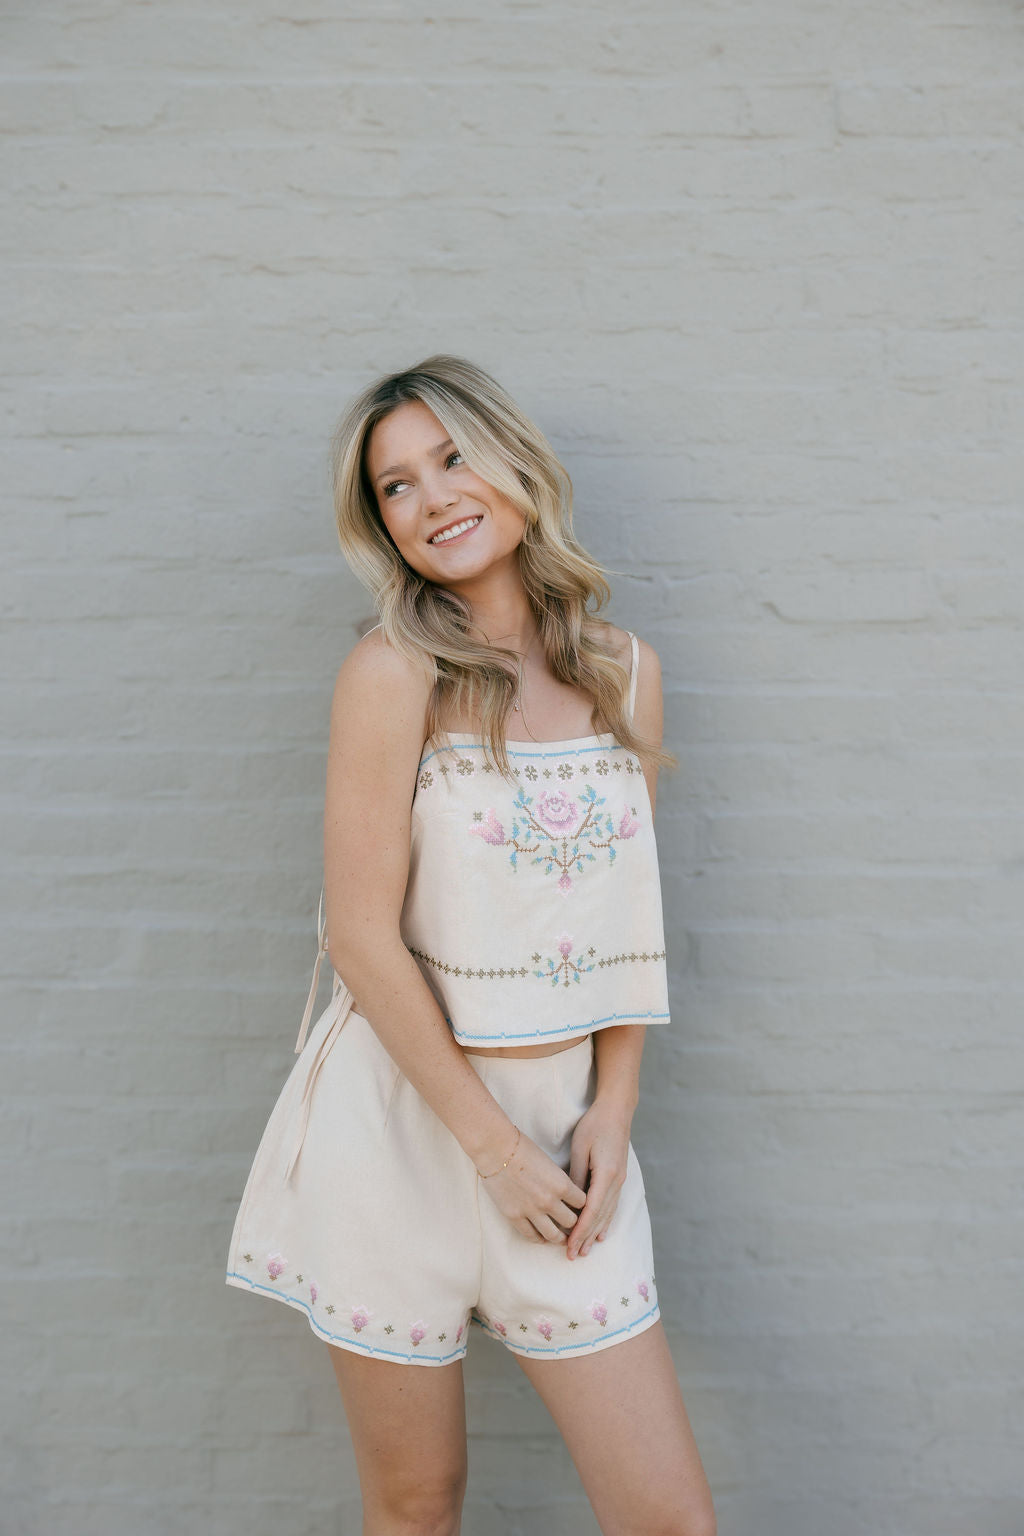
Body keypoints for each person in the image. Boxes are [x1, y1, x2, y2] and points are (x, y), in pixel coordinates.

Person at [225, 354, 716, 1536]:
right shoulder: (389, 673)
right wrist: (492, 1151)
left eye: (452, 458)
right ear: (381, 525)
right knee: (415, 1506)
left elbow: (624, 923)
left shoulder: (627, 673)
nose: (431, 497)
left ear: (515, 464)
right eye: (394, 486)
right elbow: (360, 936)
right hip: (401, 1132)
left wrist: (613, 1107)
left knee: (667, 1519)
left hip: (566, 1140)